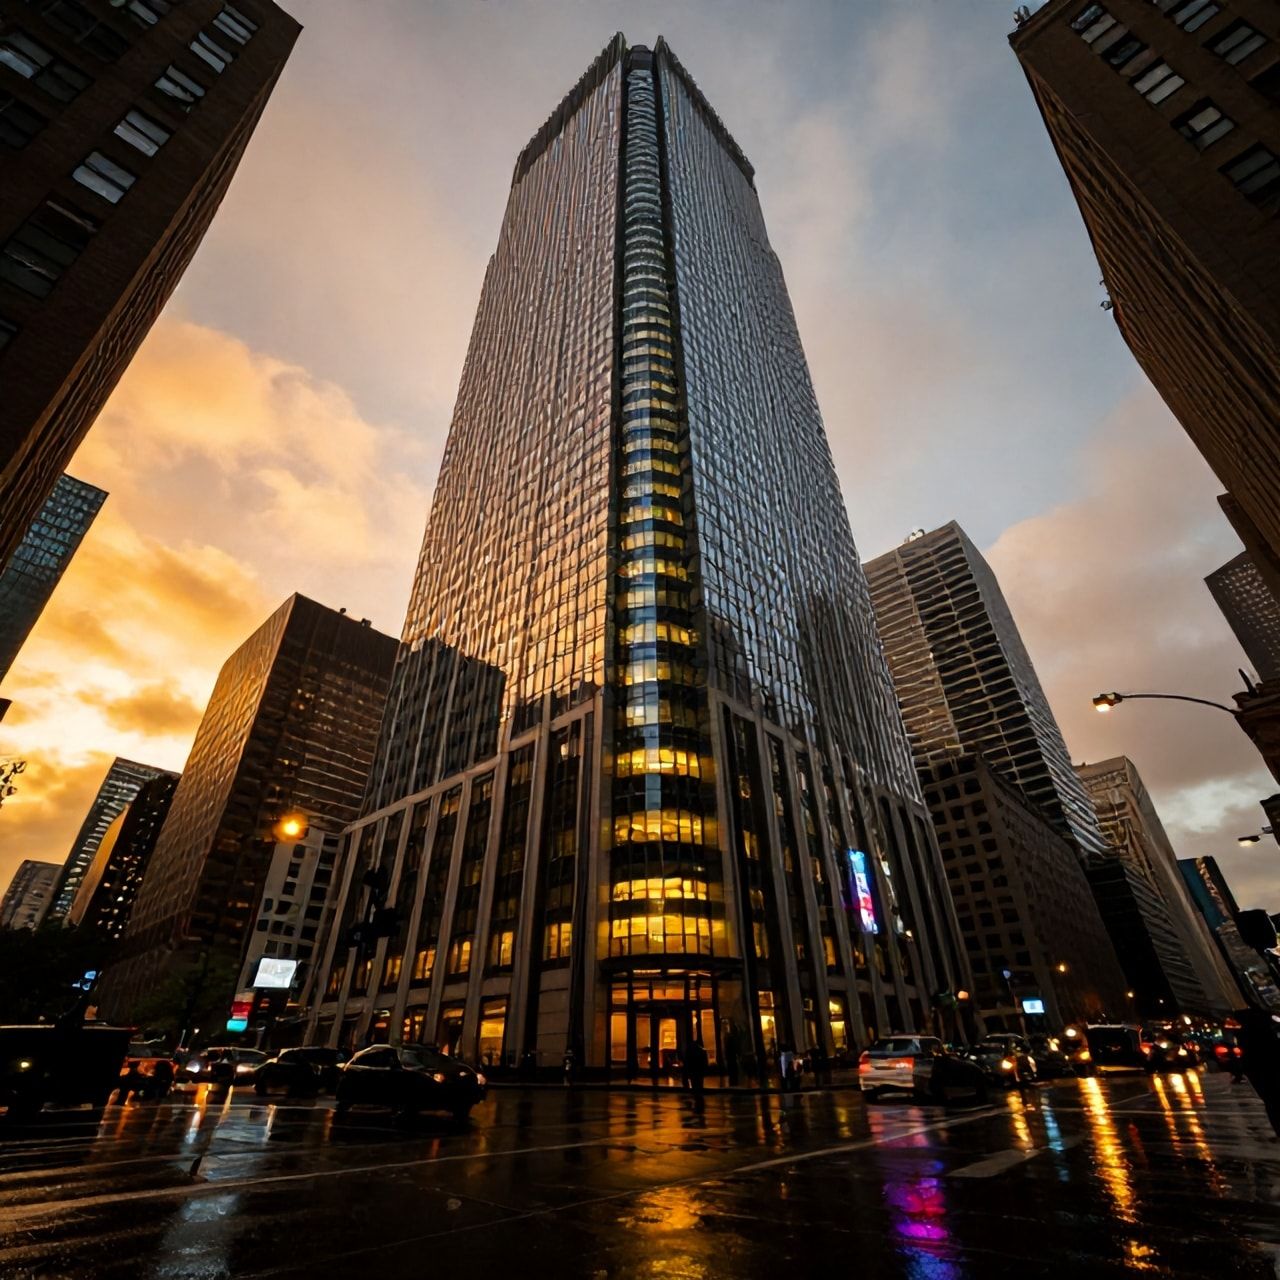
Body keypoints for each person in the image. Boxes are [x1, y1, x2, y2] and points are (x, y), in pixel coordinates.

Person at [1236, 1007, 1280, 1137]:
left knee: (1272, 1102)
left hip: (1263, 1074)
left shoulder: (1245, 1038)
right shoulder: (1265, 1036)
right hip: (1268, 1072)